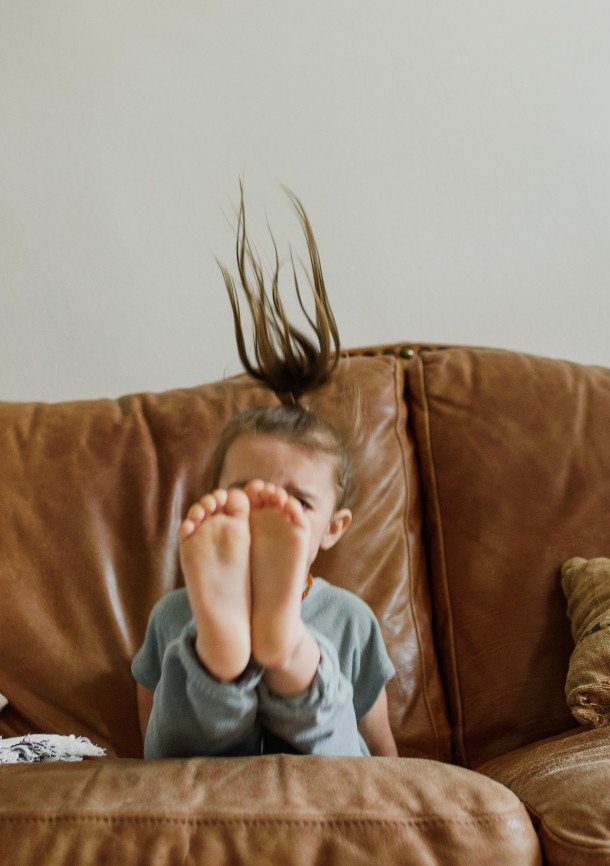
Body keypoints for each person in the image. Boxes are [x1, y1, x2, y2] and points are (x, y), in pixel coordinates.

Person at [131, 189, 398, 759]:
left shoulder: (351, 619)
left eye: (297, 501)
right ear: (212, 501)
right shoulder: (174, 612)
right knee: (189, 709)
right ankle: (224, 656)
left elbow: (379, 753)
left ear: (334, 526)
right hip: (202, 772)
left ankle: (282, 651)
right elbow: (151, 757)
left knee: (333, 740)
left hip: (319, 778)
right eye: (244, 496)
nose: (264, 511)